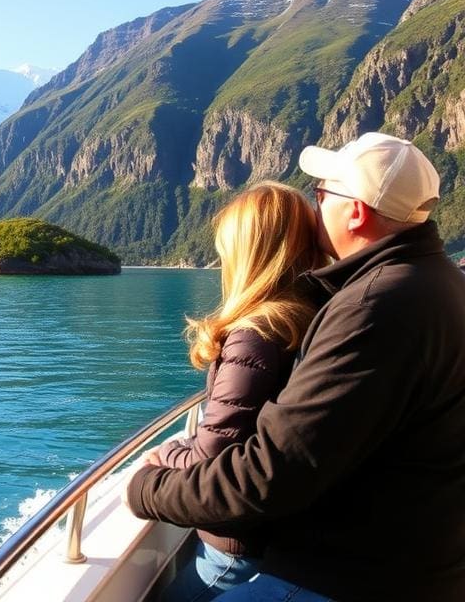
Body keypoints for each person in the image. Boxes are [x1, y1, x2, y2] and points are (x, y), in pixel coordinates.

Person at [125, 132, 465, 601]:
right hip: (413, 560)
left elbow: (270, 474)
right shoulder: (441, 283)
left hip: (351, 574)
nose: (315, 205)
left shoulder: (373, 306)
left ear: (357, 211)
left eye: (322, 193)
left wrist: (146, 489)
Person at [145, 182, 325, 602]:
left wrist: (166, 453)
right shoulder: (313, 318)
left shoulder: (255, 335)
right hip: (281, 535)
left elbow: (213, 455)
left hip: (234, 551)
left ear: (248, 254)